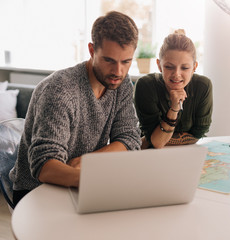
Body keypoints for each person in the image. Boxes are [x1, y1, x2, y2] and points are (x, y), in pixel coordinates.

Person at [9, 11, 141, 206]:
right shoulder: (60, 90)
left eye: (126, 62)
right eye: (109, 60)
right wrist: (93, 181)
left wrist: (87, 161)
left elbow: (129, 139)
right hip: (36, 193)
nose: (118, 71)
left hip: (80, 183)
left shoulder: (120, 83)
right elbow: (44, 166)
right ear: (91, 50)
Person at [134, 29, 213, 149]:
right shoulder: (146, 86)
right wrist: (174, 108)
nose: (177, 74)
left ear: (194, 67)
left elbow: (199, 133)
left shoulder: (203, 86)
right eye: (169, 67)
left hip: (188, 154)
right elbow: (157, 143)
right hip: (151, 156)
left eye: (185, 68)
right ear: (159, 65)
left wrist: (153, 139)